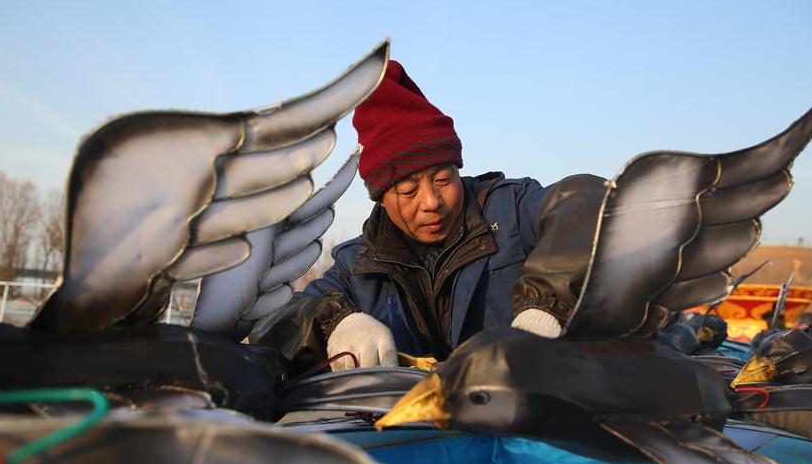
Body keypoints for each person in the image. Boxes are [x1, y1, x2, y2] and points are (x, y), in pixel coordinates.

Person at [253, 60, 604, 372]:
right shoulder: (357, 266)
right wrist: (336, 324)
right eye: (408, 191)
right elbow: (273, 318)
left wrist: (546, 307)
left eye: (443, 179)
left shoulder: (510, 209)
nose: (432, 202)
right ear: (381, 197)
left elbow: (589, 201)